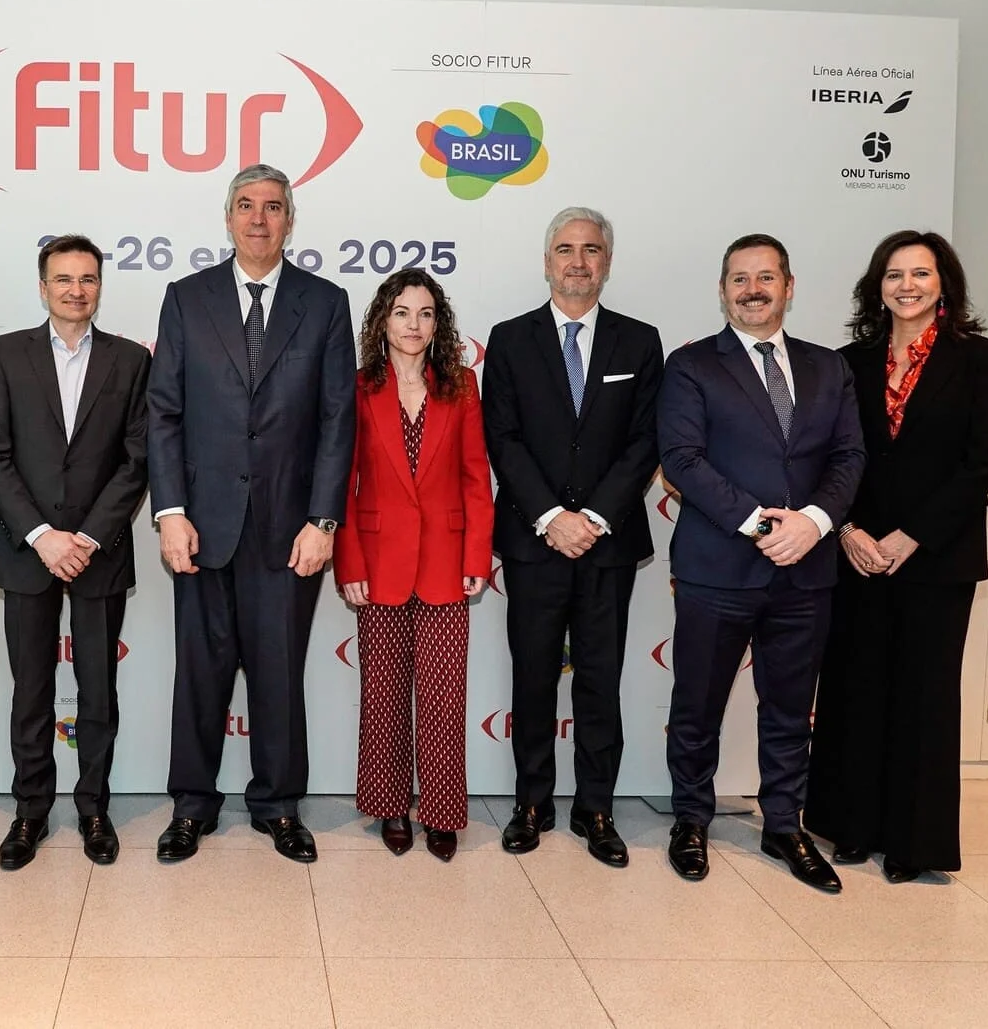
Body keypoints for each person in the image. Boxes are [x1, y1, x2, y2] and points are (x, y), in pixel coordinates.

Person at [149, 163, 357, 864]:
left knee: (279, 673)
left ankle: (278, 805)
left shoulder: (325, 303)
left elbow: (337, 420)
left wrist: (323, 520)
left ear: (290, 220)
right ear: (228, 217)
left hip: (288, 528)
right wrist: (169, 511)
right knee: (199, 674)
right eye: (246, 205)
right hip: (201, 524)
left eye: (272, 206)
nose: (259, 218)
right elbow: (164, 412)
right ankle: (191, 806)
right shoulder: (187, 298)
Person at [657, 233, 865, 892]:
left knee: (790, 709)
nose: (753, 290)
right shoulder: (691, 365)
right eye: (740, 279)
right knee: (698, 706)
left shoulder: (829, 367)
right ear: (723, 291)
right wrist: (759, 523)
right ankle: (691, 819)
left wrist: (813, 522)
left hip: (806, 569)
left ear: (789, 286)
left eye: (766, 277)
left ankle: (783, 824)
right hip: (718, 568)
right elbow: (682, 459)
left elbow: (849, 457)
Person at [806, 231, 988, 883]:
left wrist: (910, 536)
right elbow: (830, 458)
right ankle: (851, 827)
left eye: (920, 273)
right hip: (858, 552)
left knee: (925, 698)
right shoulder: (849, 363)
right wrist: (847, 530)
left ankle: (912, 843)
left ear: (944, 283)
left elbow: (981, 464)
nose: (907, 285)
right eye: (894, 274)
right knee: (855, 689)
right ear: (878, 286)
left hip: (937, 557)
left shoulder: (983, 361)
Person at [481, 207, 664, 867]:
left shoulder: (639, 341)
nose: (578, 261)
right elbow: (502, 437)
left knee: (599, 680)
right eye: (565, 249)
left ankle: (596, 808)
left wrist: (594, 517)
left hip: (608, 545)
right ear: (547, 261)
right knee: (533, 678)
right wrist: (552, 517)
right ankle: (532, 803)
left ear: (607, 262)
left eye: (591, 249)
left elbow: (646, 441)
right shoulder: (510, 339)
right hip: (535, 543)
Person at [0, 235, 151, 870]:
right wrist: (42, 536)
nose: (77, 290)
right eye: (64, 279)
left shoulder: (131, 360)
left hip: (100, 549)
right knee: (32, 688)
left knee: (98, 689)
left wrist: (89, 535)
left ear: (100, 286)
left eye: (88, 279)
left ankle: (94, 809)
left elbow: (137, 458)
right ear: (43, 286)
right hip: (28, 550)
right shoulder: (5, 354)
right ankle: (31, 810)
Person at [333, 269, 492, 862]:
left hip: (448, 563)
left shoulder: (461, 385)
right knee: (384, 696)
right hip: (377, 564)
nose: (414, 325)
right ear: (383, 320)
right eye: (402, 312)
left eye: (426, 313)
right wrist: (349, 561)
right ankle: (391, 806)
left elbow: (476, 477)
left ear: (438, 323)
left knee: (445, 699)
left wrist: (476, 555)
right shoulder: (358, 387)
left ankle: (443, 813)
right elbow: (343, 482)